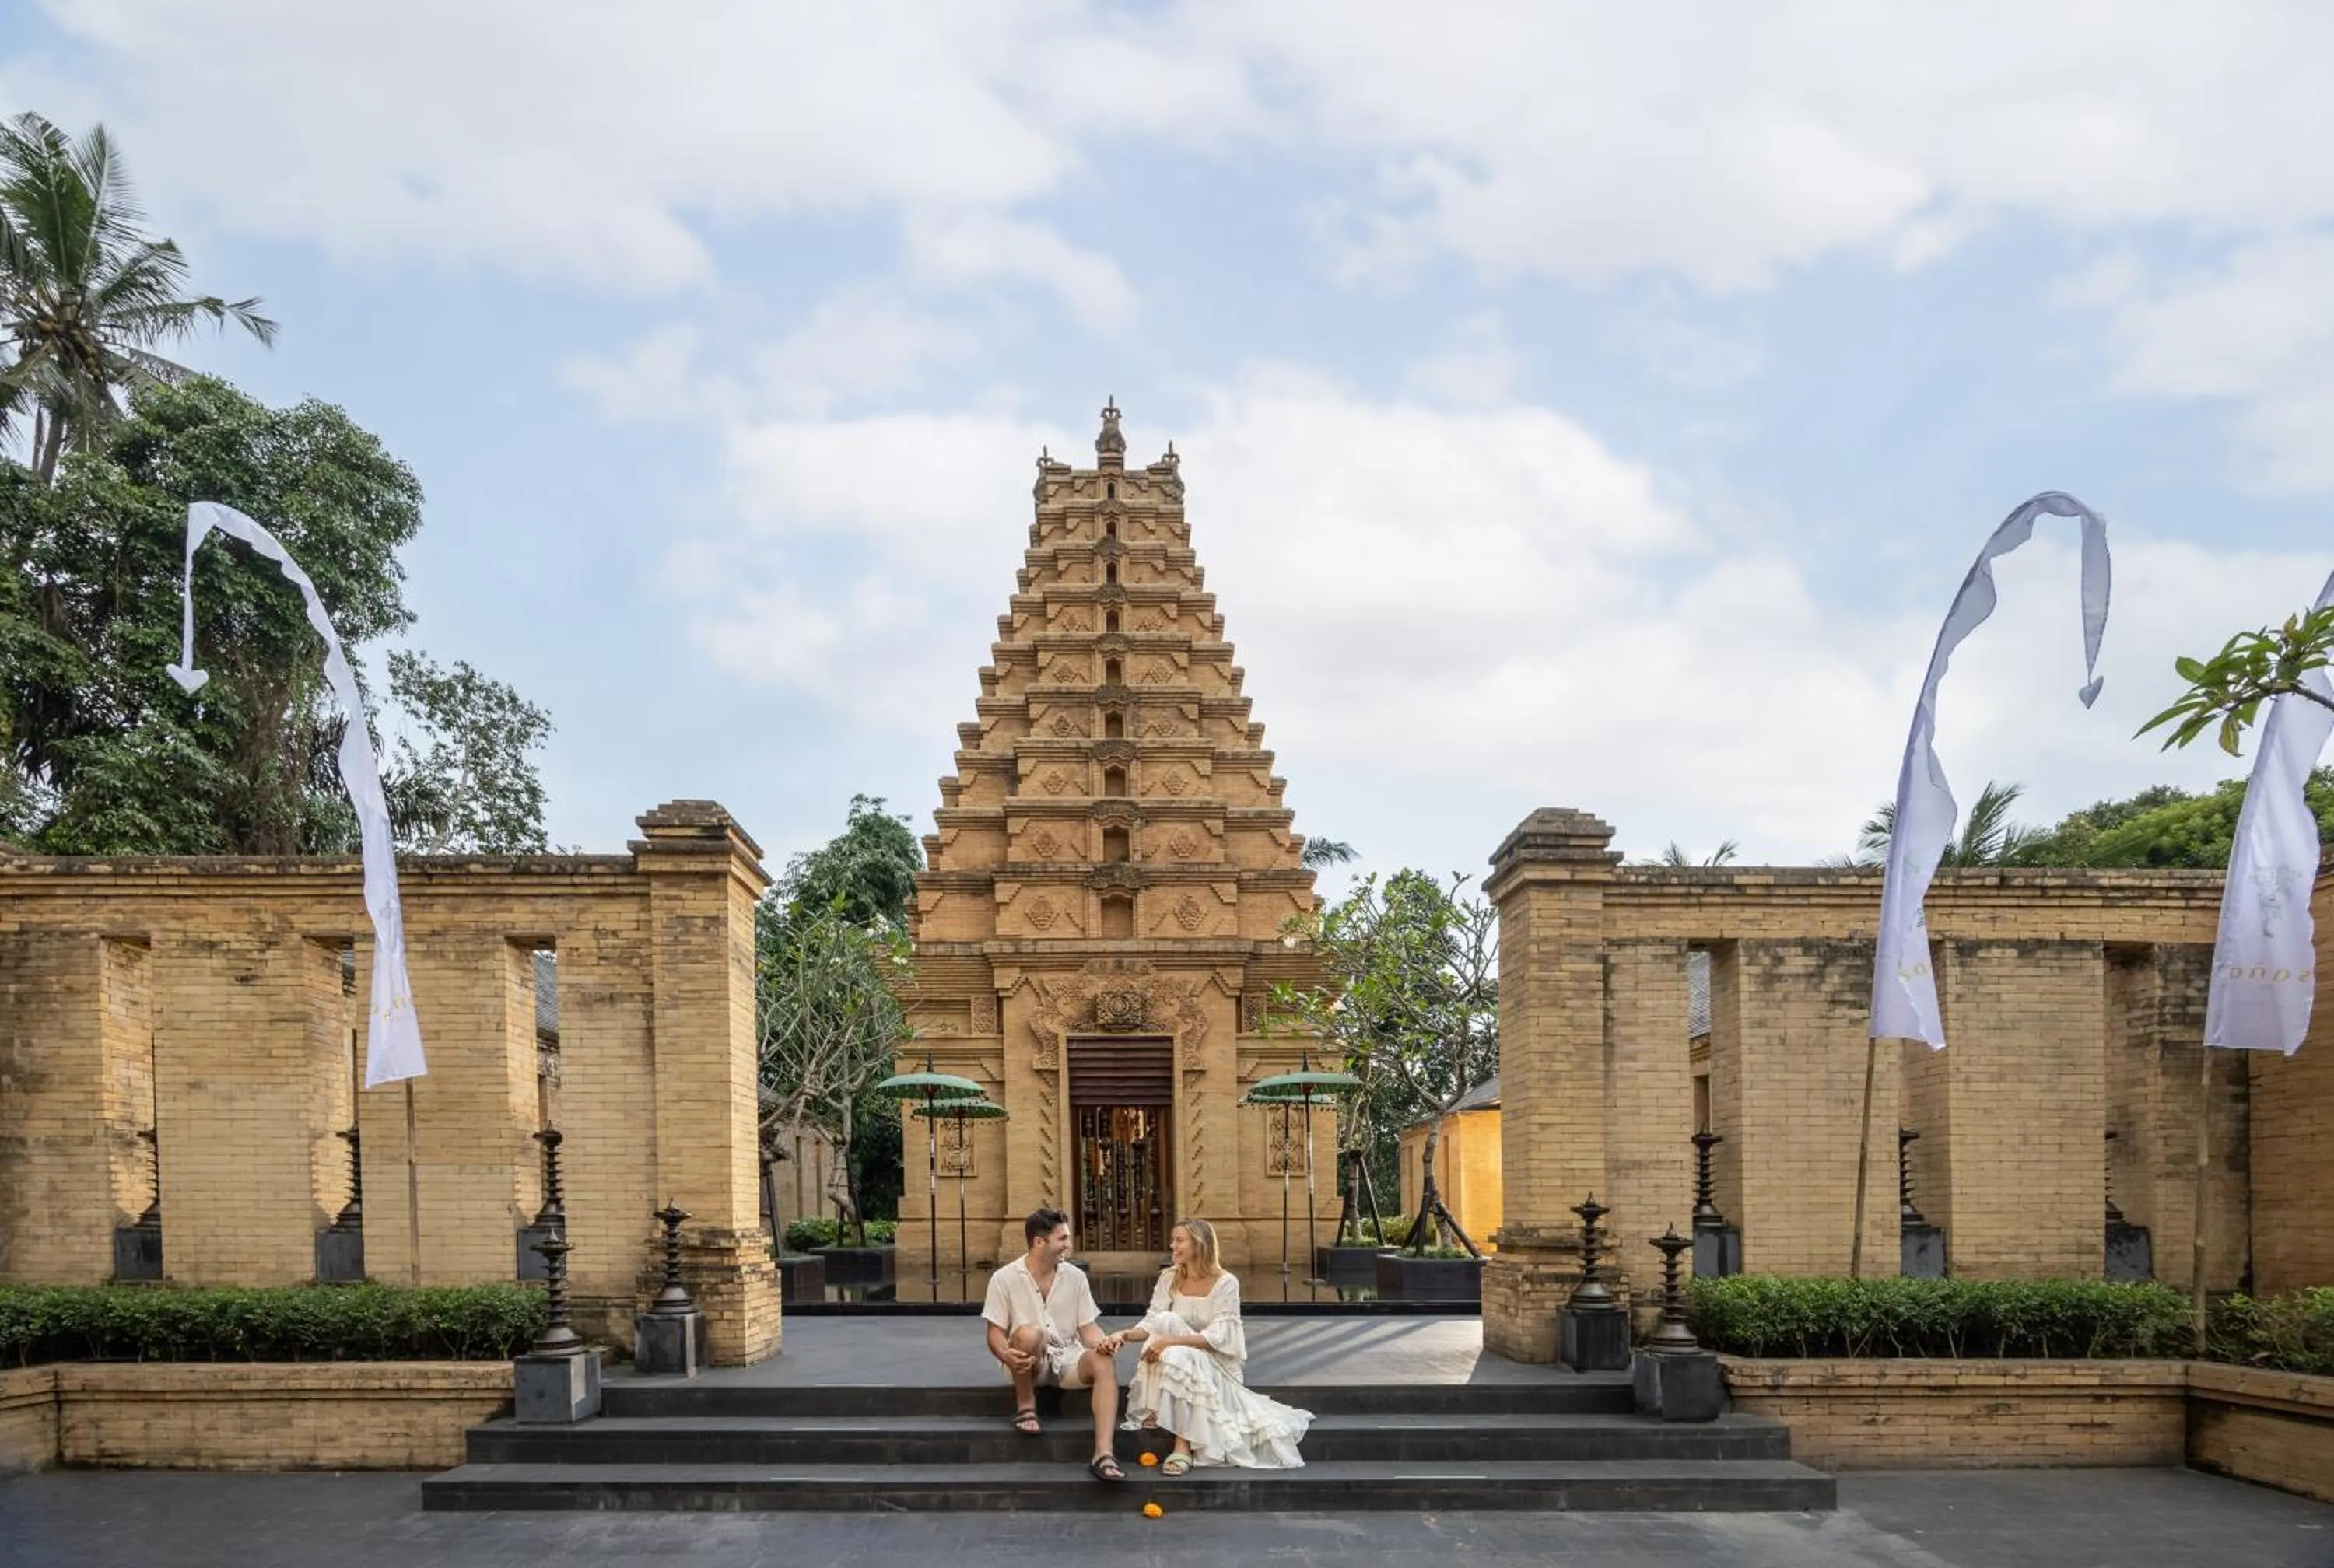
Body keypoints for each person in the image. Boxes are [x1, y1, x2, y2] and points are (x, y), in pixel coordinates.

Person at [1102, 1216, 1312, 1473]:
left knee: (1176, 1349)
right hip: (1180, 1358)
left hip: (1218, 1368)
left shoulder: (1226, 1283)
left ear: (1199, 1244)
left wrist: (1170, 1341)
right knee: (1167, 1323)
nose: (1173, 1246)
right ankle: (1158, 1405)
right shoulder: (1169, 1278)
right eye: (1173, 1240)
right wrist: (1122, 1335)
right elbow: (1152, 1323)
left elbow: (1219, 1338)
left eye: (1179, 1241)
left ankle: (1183, 1446)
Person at [981, 1206, 1126, 1482]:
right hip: (1026, 1362)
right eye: (1062, 1239)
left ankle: (1104, 1453)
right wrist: (1004, 1354)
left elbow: (1087, 1327)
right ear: (1039, 1242)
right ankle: (1026, 1406)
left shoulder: (1075, 1277)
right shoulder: (1004, 1278)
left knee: (1103, 1360)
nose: (1068, 1245)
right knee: (1029, 1333)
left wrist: (1103, 1343)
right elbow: (995, 1332)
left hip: (1067, 1358)